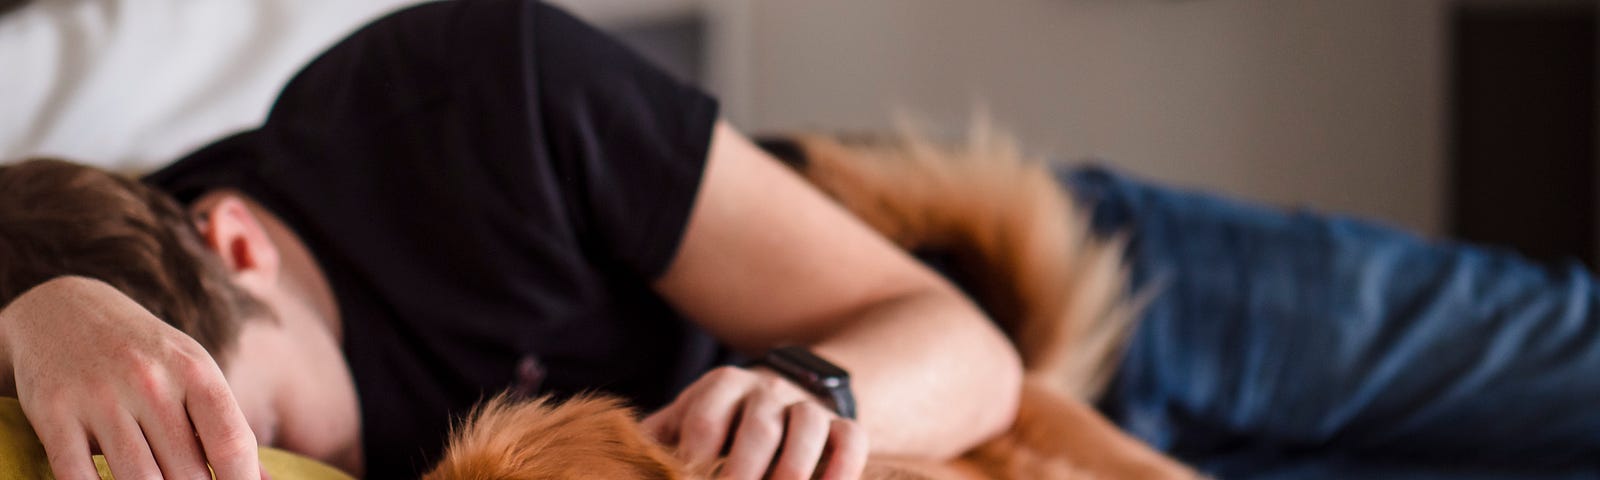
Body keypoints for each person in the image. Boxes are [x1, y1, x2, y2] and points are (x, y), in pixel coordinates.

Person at [0, 1, 1022, 479]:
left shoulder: (485, 96)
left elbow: (974, 353)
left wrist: (809, 391)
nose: (302, 473)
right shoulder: (69, 337)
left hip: (914, 257)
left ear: (238, 244)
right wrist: (28, 320)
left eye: (266, 429)